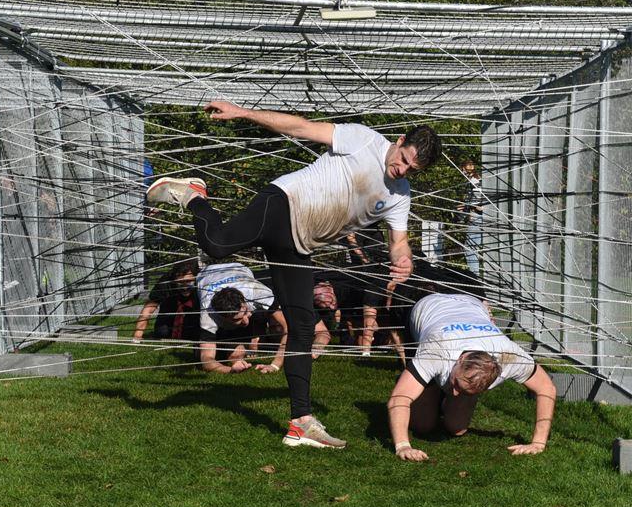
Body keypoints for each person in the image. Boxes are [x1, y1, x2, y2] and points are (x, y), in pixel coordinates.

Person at [147, 101, 441, 448]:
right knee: (216, 245)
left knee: (302, 326)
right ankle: (194, 195)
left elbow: (399, 242)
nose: (402, 170)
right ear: (400, 140)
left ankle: (301, 422)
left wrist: (404, 260)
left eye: (412, 169)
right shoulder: (364, 140)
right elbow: (300, 127)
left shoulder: (399, 195)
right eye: (403, 159)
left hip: (300, 244)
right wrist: (244, 113)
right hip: (283, 204)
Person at [384, 293, 557, 461]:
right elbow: (399, 398)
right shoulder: (437, 350)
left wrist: (538, 443)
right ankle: (422, 380)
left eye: (463, 390)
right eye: (456, 384)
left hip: (471, 306)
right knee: (423, 425)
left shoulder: (509, 356)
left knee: (457, 428)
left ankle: (430, 382)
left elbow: (546, 388)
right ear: (460, 360)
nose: (455, 393)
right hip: (428, 306)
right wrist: (403, 446)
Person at [195, 262, 302, 377]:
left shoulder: (258, 293)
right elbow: (206, 361)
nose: (246, 320)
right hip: (206, 275)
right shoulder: (208, 315)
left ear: (244, 300)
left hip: (238, 268)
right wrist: (230, 370)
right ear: (222, 317)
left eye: (246, 312)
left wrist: (275, 365)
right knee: (201, 355)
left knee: (237, 354)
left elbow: (289, 327)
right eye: (237, 319)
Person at [131, 261, 201, 344]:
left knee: (195, 334)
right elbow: (149, 308)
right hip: (169, 311)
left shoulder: (202, 281)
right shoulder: (165, 282)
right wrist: (137, 336)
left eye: (189, 281)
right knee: (162, 333)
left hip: (195, 314)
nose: (185, 287)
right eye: (180, 282)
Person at [457, 160, 483, 275]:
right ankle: (475, 275)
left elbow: (480, 202)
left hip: (476, 217)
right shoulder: (475, 180)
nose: (462, 172)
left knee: (470, 249)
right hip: (475, 216)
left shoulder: (474, 181)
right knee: (472, 248)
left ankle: (474, 276)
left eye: (462, 170)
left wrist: (469, 208)